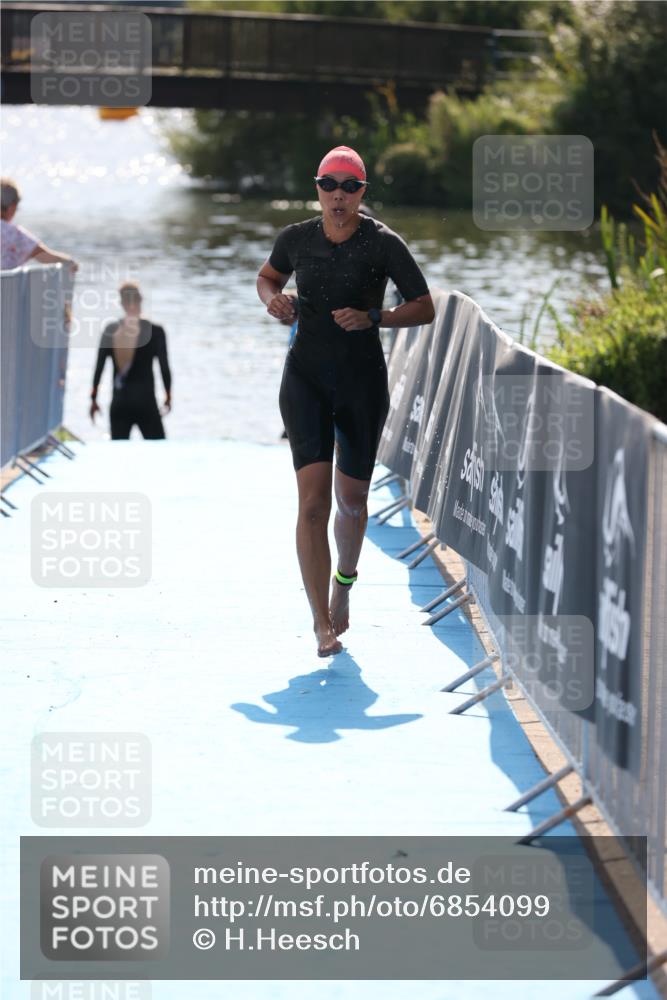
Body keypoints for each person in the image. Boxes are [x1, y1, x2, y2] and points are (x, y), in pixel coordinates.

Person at [257, 145, 434, 657]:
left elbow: (423, 307)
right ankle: (320, 624)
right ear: (317, 189)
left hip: (361, 383)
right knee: (311, 506)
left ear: (362, 193)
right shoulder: (296, 238)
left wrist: (374, 317)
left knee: (351, 505)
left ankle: (344, 582)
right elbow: (269, 276)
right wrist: (272, 299)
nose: (338, 195)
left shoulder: (383, 244)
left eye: (349, 186)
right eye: (329, 185)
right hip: (305, 379)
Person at [90, 281, 172, 440]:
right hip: (146, 402)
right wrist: (168, 395)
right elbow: (164, 368)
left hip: (120, 403)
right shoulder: (155, 331)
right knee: (159, 453)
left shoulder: (110, 330)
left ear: (122, 303)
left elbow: (99, 368)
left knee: (118, 457)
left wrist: (93, 399)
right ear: (141, 300)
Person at [0, 178, 78, 272]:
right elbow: (46, 256)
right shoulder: (14, 234)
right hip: (8, 286)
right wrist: (71, 263)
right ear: (11, 207)